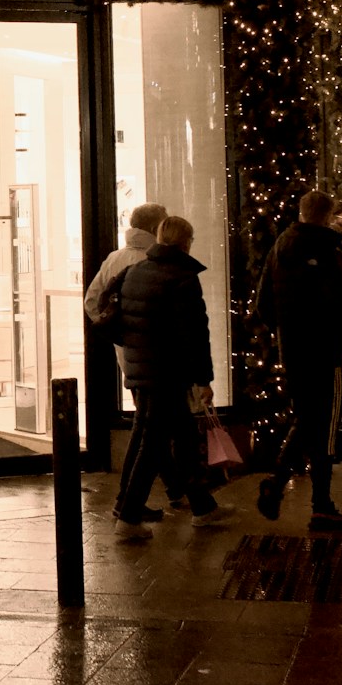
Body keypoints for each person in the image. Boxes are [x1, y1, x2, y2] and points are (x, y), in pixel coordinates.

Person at [107, 215, 232, 540]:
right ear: (185, 241)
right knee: (153, 444)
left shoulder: (135, 272)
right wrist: (204, 380)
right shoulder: (182, 278)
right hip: (167, 374)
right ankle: (129, 516)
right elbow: (195, 335)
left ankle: (203, 506)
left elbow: (120, 318)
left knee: (185, 438)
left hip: (142, 369)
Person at [253, 190, 342, 531]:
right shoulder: (329, 248)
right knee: (324, 424)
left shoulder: (281, 247)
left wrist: (286, 331)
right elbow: (341, 301)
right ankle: (319, 503)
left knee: (307, 417)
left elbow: (263, 304)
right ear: (327, 216)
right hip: (326, 351)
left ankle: (283, 482)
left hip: (294, 350)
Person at [83, 202, 167, 518]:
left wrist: (117, 334)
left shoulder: (116, 258)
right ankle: (130, 500)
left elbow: (92, 301)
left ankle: (182, 493)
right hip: (155, 357)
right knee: (150, 428)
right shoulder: (154, 261)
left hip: (129, 355)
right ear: (156, 227)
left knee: (151, 424)